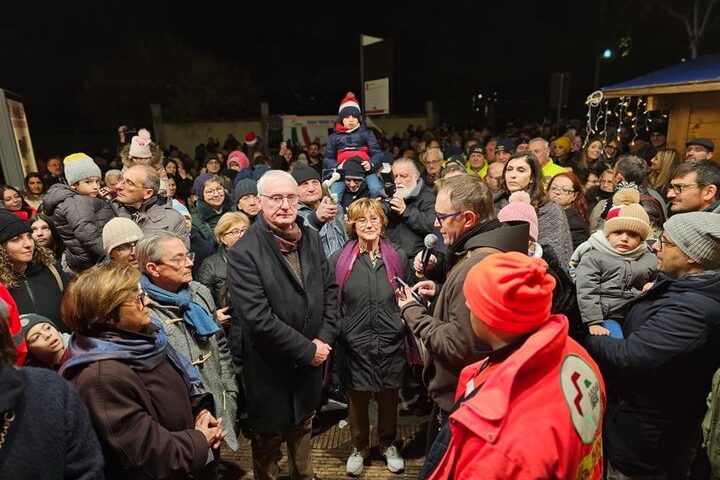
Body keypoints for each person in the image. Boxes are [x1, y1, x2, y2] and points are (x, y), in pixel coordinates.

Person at [421, 252, 605, 479]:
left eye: (472, 300)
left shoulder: (497, 445)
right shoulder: (576, 356)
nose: (467, 304)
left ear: (491, 321)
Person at [397, 175, 529, 451]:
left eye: (442, 217)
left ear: (467, 219)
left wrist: (412, 311)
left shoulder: (477, 265)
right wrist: (442, 290)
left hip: (460, 402)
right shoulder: (489, 250)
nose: (436, 224)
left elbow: (457, 345)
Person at [60, 262, 225, 479]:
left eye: (141, 292)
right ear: (108, 314)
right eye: (137, 298)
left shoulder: (145, 338)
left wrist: (199, 411)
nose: (146, 301)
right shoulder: (100, 378)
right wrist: (199, 440)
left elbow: (179, 382)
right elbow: (145, 452)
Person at [585, 212, 720, 478]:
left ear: (692, 256)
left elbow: (631, 355)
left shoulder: (695, 310)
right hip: (632, 420)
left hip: (646, 439)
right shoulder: (681, 284)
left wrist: (592, 337)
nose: (654, 245)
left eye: (666, 242)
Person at [227, 170, 338, 480]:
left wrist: (325, 338)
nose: (285, 205)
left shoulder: (311, 237)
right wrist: (307, 349)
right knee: (268, 440)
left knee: (304, 426)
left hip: (310, 363)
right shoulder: (244, 252)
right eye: (276, 198)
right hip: (271, 368)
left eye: (291, 197)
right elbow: (257, 320)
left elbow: (329, 291)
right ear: (260, 202)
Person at [137, 232, 239, 451]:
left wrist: (229, 391)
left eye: (187, 255)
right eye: (178, 259)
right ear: (153, 268)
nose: (189, 262)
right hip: (179, 420)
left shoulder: (200, 293)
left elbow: (219, 343)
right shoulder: (140, 311)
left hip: (217, 403)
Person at [329, 198, 407, 475]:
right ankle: (359, 447)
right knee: (357, 400)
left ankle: (387, 444)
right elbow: (331, 303)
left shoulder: (397, 256)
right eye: (362, 219)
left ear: (383, 222)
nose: (369, 224)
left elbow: (407, 297)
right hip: (354, 343)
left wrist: (398, 325)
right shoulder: (339, 259)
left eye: (374, 218)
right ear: (352, 225)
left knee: (389, 397)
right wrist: (343, 331)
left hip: (390, 341)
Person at [0, 299, 104, 479]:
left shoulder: (49, 389)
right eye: (36, 337)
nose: (47, 336)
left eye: (47, 328)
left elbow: (89, 468)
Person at [572, 189, 657, 338]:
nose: (624, 238)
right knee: (615, 340)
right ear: (608, 234)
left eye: (632, 234)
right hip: (606, 315)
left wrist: (652, 285)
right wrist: (594, 322)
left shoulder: (648, 257)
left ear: (641, 239)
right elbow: (586, 290)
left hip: (635, 311)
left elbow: (661, 276)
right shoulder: (594, 256)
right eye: (618, 233)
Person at [497, 152, 574, 268]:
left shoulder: (549, 209)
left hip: (535, 272)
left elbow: (555, 253)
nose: (512, 175)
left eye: (521, 170)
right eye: (509, 169)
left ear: (532, 177)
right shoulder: (494, 203)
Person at [43, 153, 116, 272]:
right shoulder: (76, 202)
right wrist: (110, 253)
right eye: (88, 182)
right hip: (91, 260)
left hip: (91, 257)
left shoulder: (84, 199)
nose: (95, 186)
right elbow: (85, 231)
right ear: (74, 184)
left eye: (97, 181)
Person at [0, 212, 68, 330]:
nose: (28, 244)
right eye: (16, 239)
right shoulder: (2, 287)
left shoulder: (52, 269)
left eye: (29, 236)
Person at [323, 91, 384, 198]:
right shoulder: (334, 137)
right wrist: (337, 166)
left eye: (354, 117)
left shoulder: (367, 133)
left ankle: (375, 213)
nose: (351, 120)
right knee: (333, 195)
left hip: (365, 171)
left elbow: (378, 154)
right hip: (342, 173)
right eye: (347, 117)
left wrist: (371, 164)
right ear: (341, 119)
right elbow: (327, 159)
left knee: (376, 189)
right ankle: (339, 215)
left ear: (358, 118)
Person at [114, 164, 188, 247]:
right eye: (121, 180)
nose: (118, 186)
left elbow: (180, 257)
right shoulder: (110, 211)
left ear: (148, 193)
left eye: (130, 183)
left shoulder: (173, 220)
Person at [384, 158, 436, 260]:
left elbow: (432, 225)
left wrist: (405, 211)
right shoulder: (385, 195)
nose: (398, 181)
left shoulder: (429, 197)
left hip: (415, 260)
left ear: (416, 176)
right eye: (395, 176)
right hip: (388, 258)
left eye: (403, 176)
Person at [293, 163, 347, 257]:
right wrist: (316, 218)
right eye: (304, 184)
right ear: (294, 190)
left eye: (315, 182)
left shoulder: (335, 206)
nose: (311, 188)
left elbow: (346, 237)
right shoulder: (294, 215)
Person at [197, 212, 249, 307]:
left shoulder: (260, 256)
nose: (242, 235)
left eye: (244, 230)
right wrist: (216, 315)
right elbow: (201, 299)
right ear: (223, 238)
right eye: (235, 232)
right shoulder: (211, 265)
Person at [548, 172, 590, 250]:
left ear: (574, 196)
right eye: (553, 188)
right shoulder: (539, 211)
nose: (557, 192)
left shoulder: (575, 223)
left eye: (565, 190)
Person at [191, 174, 233, 244]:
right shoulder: (197, 219)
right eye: (210, 191)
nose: (216, 194)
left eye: (219, 189)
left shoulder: (235, 206)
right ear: (202, 196)